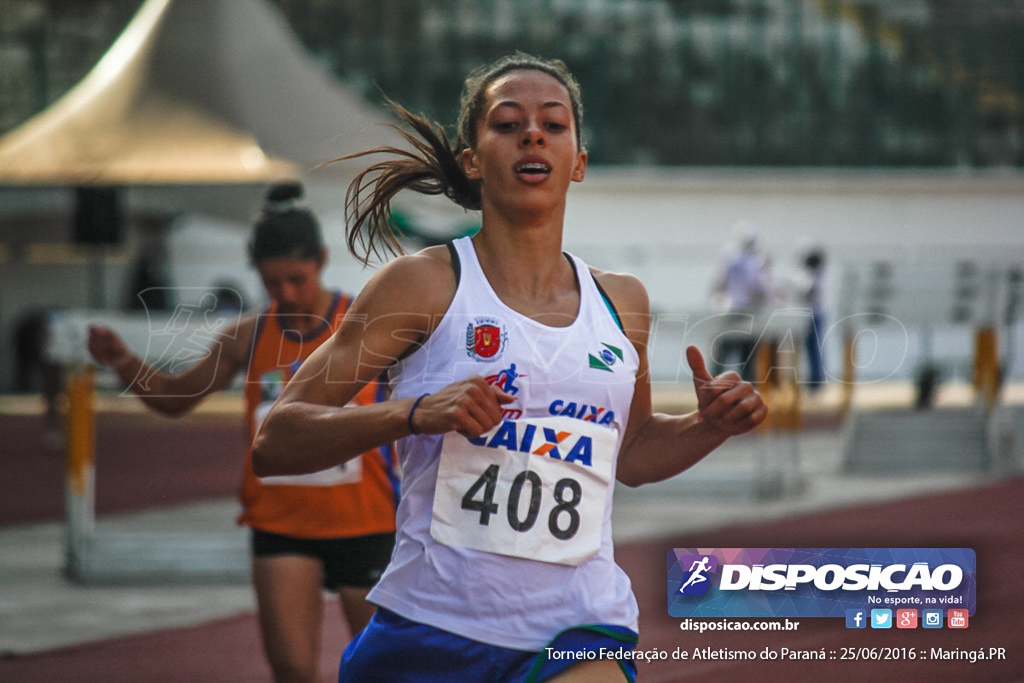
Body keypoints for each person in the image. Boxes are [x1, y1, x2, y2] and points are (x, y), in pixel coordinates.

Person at [252, 53, 766, 682]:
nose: (533, 135)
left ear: (578, 162)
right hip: (430, 630)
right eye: (507, 124)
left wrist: (708, 425)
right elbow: (275, 441)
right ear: (473, 159)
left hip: (579, 625)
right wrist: (414, 414)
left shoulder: (621, 302)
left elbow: (630, 454)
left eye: (554, 124)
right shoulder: (422, 285)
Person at [87, 182, 399, 683]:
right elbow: (175, 399)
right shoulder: (247, 336)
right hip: (280, 523)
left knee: (385, 672)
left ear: (320, 259)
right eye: (273, 283)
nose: (287, 295)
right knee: (293, 670)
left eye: (297, 279)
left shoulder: (362, 326)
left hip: (367, 524)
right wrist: (123, 361)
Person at [709, 226, 771, 382]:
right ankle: (748, 387)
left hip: (729, 311)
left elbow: (718, 284)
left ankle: (713, 384)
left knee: (723, 352)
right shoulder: (755, 262)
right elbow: (760, 288)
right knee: (747, 355)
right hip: (747, 312)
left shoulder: (730, 258)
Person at [800, 247, 827, 392]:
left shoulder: (813, 276)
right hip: (815, 315)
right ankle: (815, 378)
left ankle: (816, 380)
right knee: (813, 349)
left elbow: (806, 292)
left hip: (813, 316)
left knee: (813, 348)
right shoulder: (818, 275)